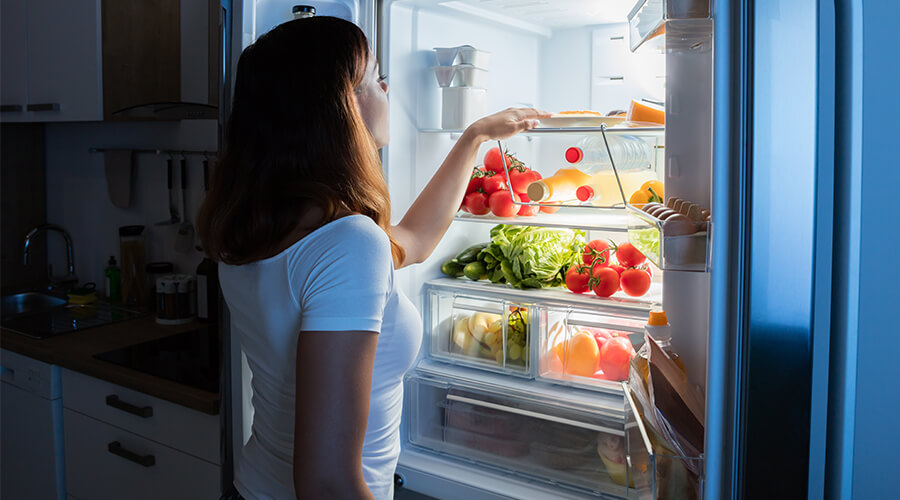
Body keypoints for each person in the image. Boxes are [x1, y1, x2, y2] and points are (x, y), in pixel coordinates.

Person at [198, 16, 549, 500]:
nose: (387, 87)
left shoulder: (256, 225)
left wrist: (474, 137)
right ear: (340, 108)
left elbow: (414, 238)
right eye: (374, 78)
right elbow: (326, 484)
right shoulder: (347, 242)